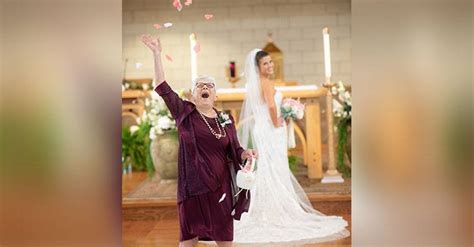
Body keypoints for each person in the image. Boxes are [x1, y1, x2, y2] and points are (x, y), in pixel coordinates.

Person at [141, 34, 257, 247]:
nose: (205, 88)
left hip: (220, 186)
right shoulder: (184, 113)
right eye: (200, 86)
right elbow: (161, 85)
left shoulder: (226, 120)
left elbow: (236, 150)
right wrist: (157, 54)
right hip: (192, 187)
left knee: (224, 237)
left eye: (210, 85)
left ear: (216, 96)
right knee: (189, 238)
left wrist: (246, 154)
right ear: (193, 95)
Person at [234, 49, 350, 244]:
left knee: (267, 170)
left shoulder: (254, 84)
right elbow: (271, 106)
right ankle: (275, 211)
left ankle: (266, 210)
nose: (270, 66)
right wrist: (279, 120)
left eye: (271, 62)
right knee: (274, 169)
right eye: (265, 64)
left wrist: (282, 114)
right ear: (257, 67)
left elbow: (265, 107)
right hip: (270, 131)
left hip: (262, 130)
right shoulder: (266, 83)